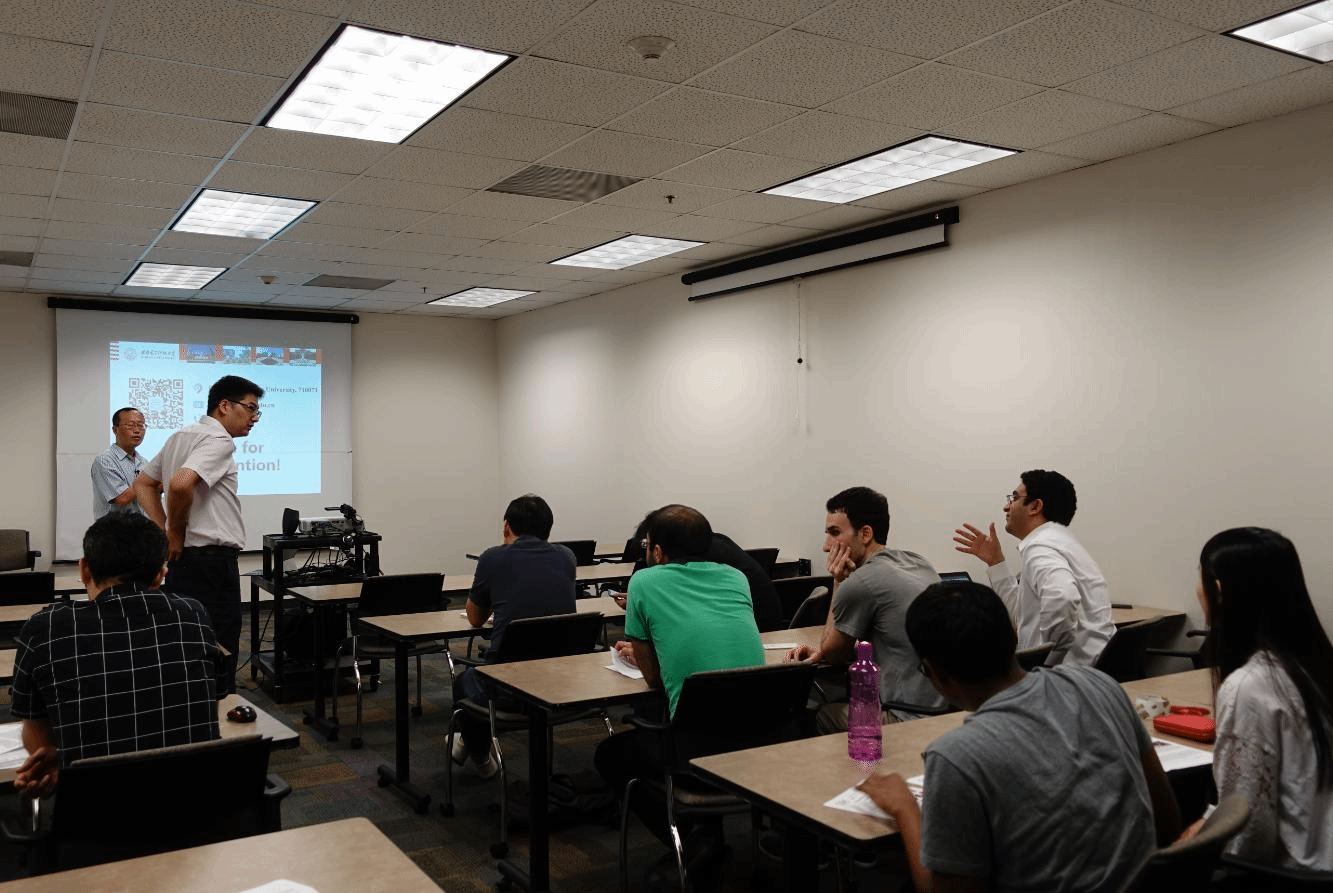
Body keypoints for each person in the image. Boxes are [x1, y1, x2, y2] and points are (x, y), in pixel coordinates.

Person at [859, 580, 1180, 893]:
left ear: (933, 671)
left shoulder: (956, 756)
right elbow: (1167, 821)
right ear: (1014, 637)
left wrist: (904, 806)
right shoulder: (1099, 685)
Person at [594, 505, 765, 868]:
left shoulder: (643, 582)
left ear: (656, 551)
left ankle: (691, 842)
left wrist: (649, 652)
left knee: (610, 755)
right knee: (706, 706)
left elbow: (654, 678)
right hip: (759, 740)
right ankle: (707, 834)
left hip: (694, 750)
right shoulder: (737, 577)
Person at [10, 513, 223, 796]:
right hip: (201, 806)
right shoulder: (193, 614)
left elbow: (37, 738)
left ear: (84, 569)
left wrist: (63, 756)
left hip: (95, 813)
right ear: (160, 575)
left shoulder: (44, 629)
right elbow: (210, 704)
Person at [1195, 527, 1333, 870]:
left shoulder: (1249, 687)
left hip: (1290, 875)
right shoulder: (1315, 666)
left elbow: (1248, 831)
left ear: (1219, 591)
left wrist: (1205, 841)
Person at [135, 375, 262, 693]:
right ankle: (218, 710)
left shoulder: (181, 435)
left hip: (183, 563)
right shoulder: (219, 440)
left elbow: (144, 484)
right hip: (211, 564)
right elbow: (179, 484)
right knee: (219, 644)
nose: (254, 418)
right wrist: (174, 531)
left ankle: (189, 708)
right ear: (224, 406)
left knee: (186, 641)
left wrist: (163, 529)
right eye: (250, 408)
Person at [787, 486, 945, 726]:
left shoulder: (860, 582)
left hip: (907, 718)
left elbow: (834, 655)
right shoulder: (919, 563)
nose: (826, 546)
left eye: (834, 533)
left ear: (865, 534)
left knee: (820, 714)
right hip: (951, 710)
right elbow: (894, 638)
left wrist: (839, 581)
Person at [451, 494, 577, 777]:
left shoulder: (493, 557)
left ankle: (478, 752)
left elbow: (475, 618)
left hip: (509, 686)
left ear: (506, 526)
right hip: (562, 680)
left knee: (465, 681)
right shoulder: (567, 557)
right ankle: (466, 744)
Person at [954, 469, 1114, 666]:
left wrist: (1047, 661)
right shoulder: (1062, 543)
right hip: (1093, 672)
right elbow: (1021, 618)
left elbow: (1063, 596)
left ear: (1035, 506)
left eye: (1014, 498)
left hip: (1065, 676)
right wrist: (996, 562)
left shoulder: (1041, 547)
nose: (1006, 507)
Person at [619, 519, 783, 633]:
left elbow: (677, 608)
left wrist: (641, 603)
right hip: (768, 621)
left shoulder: (691, 561)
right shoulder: (717, 543)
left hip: (753, 628)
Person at [90, 406, 146, 519]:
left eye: (141, 425)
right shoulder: (105, 461)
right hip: (114, 528)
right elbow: (122, 498)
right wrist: (150, 481)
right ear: (115, 430)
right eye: (130, 425)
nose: (137, 430)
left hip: (140, 527)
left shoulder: (143, 462)